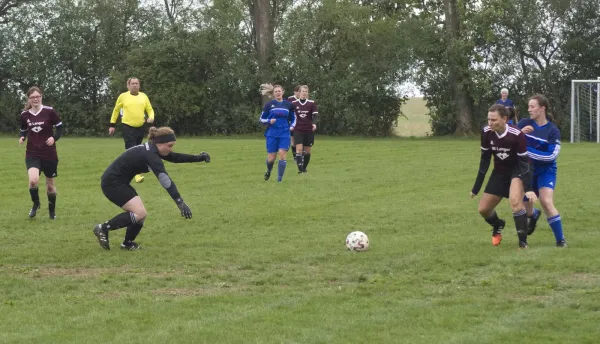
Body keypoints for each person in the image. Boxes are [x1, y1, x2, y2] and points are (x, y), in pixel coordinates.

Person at [93, 126, 210, 250]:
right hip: (112, 183)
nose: (171, 149)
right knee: (139, 213)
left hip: (119, 182)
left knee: (141, 214)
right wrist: (180, 203)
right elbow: (165, 180)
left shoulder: (153, 150)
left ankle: (127, 244)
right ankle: (103, 228)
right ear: (160, 143)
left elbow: (175, 157)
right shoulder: (151, 155)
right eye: (170, 145)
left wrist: (199, 157)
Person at [470, 104, 538, 248]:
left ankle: (523, 243)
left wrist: (528, 188)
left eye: (494, 120)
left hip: (517, 169)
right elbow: (485, 160)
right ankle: (498, 225)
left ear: (505, 119)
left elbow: (524, 161)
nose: (490, 123)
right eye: (488, 119)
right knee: (483, 209)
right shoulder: (486, 132)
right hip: (500, 171)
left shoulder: (516, 134)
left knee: (515, 202)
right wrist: (476, 188)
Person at [517, 94, 566, 247]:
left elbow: (551, 156)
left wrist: (526, 150)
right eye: (529, 106)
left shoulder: (552, 131)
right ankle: (534, 214)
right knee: (525, 207)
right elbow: (509, 140)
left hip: (546, 170)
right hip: (527, 171)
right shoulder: (524, 123)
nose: (529, 109)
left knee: (545, 201)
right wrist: (520, 134)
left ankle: (560, 240)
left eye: (532, 106)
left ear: (542, 108)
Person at [19, 86, 65, 219]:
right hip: (32, 152)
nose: (35, 99)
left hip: (49, 153)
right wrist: (22, 136)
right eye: (32, 97)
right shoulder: (24, 114)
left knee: (50, 187)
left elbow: (60, 128)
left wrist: (54, 138)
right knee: (33, 181)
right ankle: (36, 204)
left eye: (37, 96)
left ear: (41, 97)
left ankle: (52, 211)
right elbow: (23, 129)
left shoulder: (49, 111)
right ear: (29, 99)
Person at [109, 77, 155, 184]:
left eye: (136, 83)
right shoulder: (123, 96)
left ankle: (126, 170)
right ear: (128, 85)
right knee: (132, 149)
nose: (135, 85)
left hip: (140, 127)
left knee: (137, 149)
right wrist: (112, 125)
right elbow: (116, 111)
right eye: (132, 83)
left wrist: (151, 117)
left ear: (139, 85)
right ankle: (137, 174)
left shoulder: (144, 96)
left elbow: (150, 109)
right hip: (127, 126)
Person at [259, 84, 296, 183]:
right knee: (271, 158)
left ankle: (279, 180)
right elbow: (261, 119)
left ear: (283, 92)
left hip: (284, 133)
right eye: (276, 91)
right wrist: (269, 121)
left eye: (279, 91)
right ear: (273, 93)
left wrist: (292, 126)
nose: (278, 93)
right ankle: (268, 170)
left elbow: (294, 118)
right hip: (272, 133)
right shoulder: (269, 105)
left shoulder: (289, 105)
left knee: (282, 154)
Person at [291, 85, 318, 173]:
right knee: (298, 149)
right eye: (302, 91)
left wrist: (314, 124)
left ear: (307, 93)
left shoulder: (312, 103)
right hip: (298, 130)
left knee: (307, 151)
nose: (304, 93)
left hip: (308, 130)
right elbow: (290, 116)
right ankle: (300, 170)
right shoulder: (294, 104)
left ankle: (304, 167)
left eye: (306, 92)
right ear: (299, 92)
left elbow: (315, 116)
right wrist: (291, 125)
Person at [287, 85, 301, 155]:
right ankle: (295, 156)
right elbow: (287, 110)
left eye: (300, 91)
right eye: (298, 91)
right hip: (292, 122)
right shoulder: (290, 99)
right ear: (294, 92)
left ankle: (301, 154)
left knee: (301, 139)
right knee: (293, 139)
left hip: (301, 122)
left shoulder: (303, 99)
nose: (299, 93)